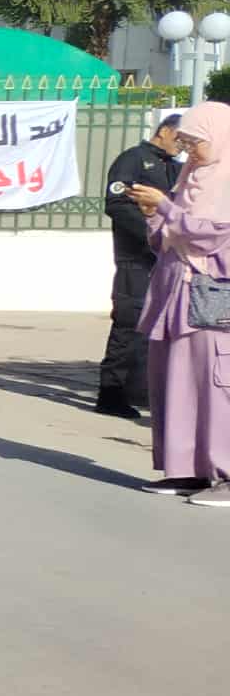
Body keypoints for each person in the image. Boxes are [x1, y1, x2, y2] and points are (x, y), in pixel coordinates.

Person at [133, 100, 230, 503]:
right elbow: (165, 241)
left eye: (195, 141)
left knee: (217, 387)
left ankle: (226, 473)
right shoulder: (190, 180)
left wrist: (167, 209)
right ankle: (188, 470)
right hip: (175, 296)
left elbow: (211, 237)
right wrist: (154, 214)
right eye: (185, 141)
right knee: (177, 384)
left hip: (214, 302)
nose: (189, 150)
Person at [101, 109, 189, 418]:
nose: (182, 145)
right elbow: (117, 205)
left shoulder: (176, 168)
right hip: (136, 257)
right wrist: (154, 237)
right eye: (179, 137)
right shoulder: (133, 160)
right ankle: (111, 393)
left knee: (158, 326)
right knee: (129, 320)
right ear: (164, 131)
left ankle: (141, 390)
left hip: (167, 260)